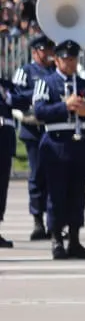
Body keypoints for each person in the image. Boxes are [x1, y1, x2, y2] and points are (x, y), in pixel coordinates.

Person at [32, 40, 85, 260]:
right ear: (57, 60)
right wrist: (65, 106)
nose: (70, 63)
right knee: (56, 194)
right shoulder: (47, 83)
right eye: (66, 59)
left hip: (80, 145)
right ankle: (56, 239)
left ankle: (74, 239)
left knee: (77, 195)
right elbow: (40, 111)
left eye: (73, 59)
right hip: (56, 144)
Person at [12, 35, 55, 240]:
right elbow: (17, 97)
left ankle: (54, 221)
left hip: (53, 128)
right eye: (44, 50)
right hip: (33, 129)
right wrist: (39, 93)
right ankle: (38, 220)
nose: (48, 54)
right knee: (37, 174)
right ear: (35, 52)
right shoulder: (25, 72)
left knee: (54, 176)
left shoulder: (56, 71)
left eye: (49, 50)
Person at [0, 76, 16, 248]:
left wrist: (8, 97)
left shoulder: (6, 86)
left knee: (1, 187)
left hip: (4, 140)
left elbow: (24, 99)